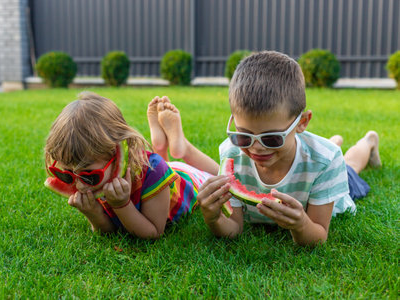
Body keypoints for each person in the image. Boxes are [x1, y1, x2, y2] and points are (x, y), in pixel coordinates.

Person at [149, 51, 381, 246]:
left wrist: (301, 224)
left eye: (271, 139)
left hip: (326, 176)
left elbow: (318, 236)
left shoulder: (327, 161)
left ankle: (368, 142)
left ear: (302, 122)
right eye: (244, 136)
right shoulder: (231, 152)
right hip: (307, 152)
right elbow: (235, 228)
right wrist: (214, 219)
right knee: (322, 148)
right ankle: (331, 140)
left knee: (350, 166)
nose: (256, 148)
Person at [44, 92, 211, 239]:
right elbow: (111, 231)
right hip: (157, 170)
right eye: (67, 175)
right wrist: (93, 214)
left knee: (219, 175)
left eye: (90, 176)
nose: (79, 185)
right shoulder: (98, 172)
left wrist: (121, 205)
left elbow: (153, 232)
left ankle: (181, 146)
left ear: (116, 154)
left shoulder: (154, 171)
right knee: (163, 163)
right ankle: (160, 145)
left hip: (187, 179)